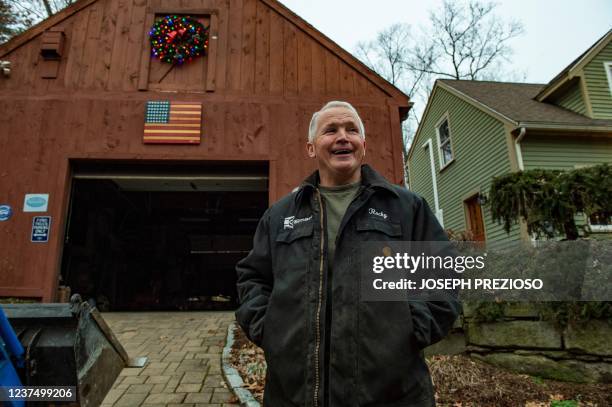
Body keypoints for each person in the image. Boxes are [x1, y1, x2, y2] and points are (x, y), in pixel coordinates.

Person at [235, 101, 460, 406]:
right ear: (311, 148)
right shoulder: (280, 216)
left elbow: (443, 275)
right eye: (331, 130)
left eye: (351, 129)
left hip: (393, 395)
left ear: (363, 145)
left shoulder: (406, 208)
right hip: (295, 395)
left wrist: (412, 326)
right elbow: (253, 277)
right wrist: (268, 328)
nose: (343, 136)